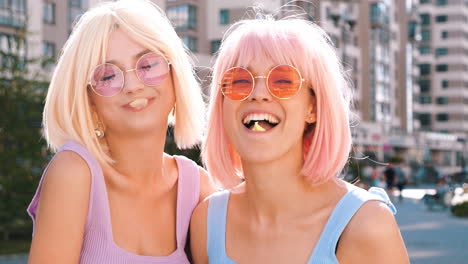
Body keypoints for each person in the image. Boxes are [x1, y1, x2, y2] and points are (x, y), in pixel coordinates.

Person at [190, 14, 409, 264]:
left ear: (312, 108)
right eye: (239, 81)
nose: (258, 94)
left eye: (283, 80)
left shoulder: (366, 224)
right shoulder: (206, 222)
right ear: (221, 105)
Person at [27, 0, 216, 263]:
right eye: (107, 76)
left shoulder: (198, 187)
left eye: (148, 65)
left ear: (176, 75)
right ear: (88, 99)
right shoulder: (74, 173)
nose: (132, 85)